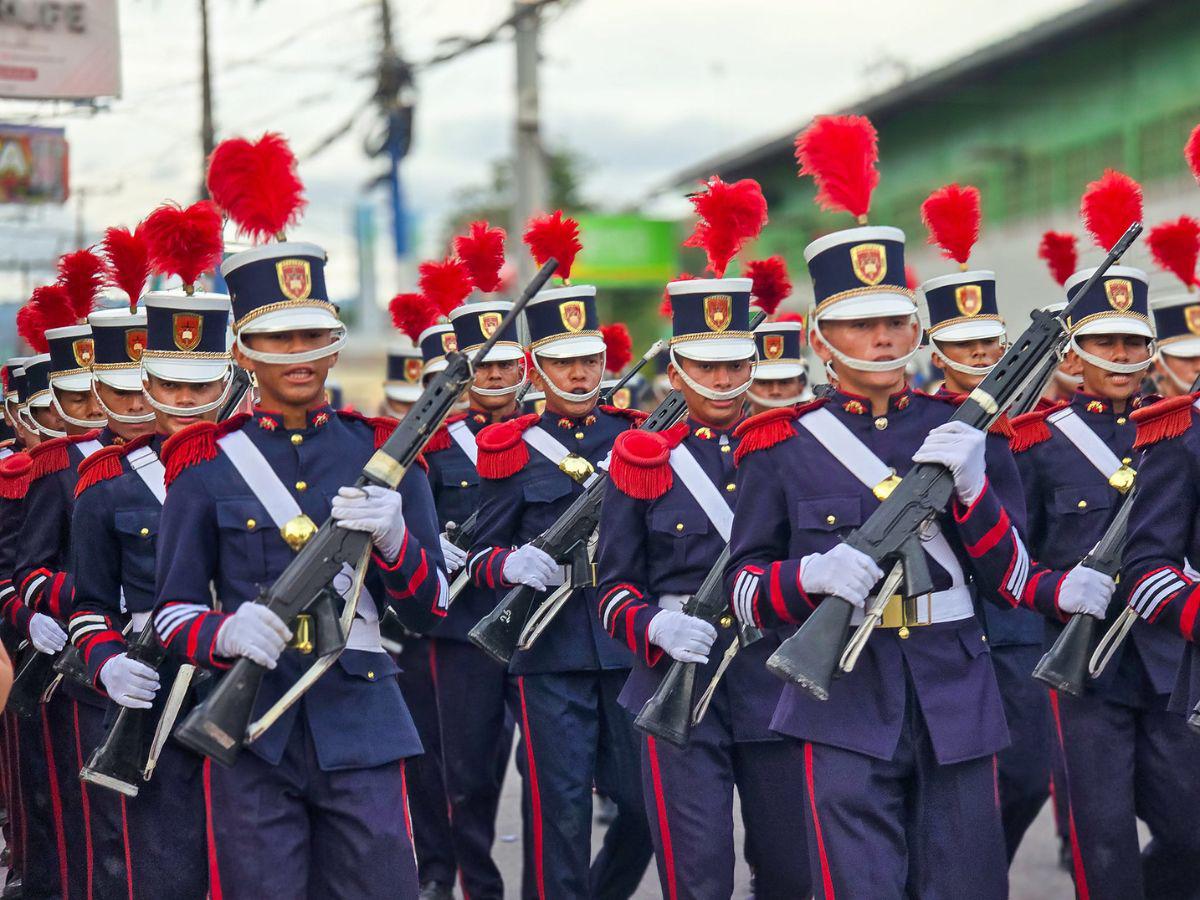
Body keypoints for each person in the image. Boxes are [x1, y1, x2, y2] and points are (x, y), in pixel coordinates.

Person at [724, 209, 1036, 899]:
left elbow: (1013, 578)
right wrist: (808, 574)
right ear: (821, 339)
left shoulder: (961, 431)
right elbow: (743, 585)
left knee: (967, 885)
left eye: (895, 319)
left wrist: (975, 489)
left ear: (917, 329)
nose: (883, 335)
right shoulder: (779, 446)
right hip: (841, 692)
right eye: (861, 322)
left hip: (953, 688)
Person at [150, 224, 448, 898]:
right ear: (243, 352)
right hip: (254, 731)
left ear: (334, 343)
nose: (299, 353)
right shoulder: (203, 465)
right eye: (280, 338)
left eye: (312, 336)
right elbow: (171, 615)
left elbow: (433, 609)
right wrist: (223, 632)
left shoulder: (386, 456)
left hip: (362, 717)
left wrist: (398, 543)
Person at [597, 274, 811, 898]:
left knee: (789, 871)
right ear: (676, 369)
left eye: (735, 364)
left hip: (774, 676)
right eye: (705, 366)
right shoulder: (642, 459)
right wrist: (654, 626)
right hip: (676, 682)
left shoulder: (788, 448)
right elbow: (612, 590)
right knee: (696, 875)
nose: (722, 381)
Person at [1010, 258, 1200, 899]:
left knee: (1191, 827)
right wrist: (1053, 589)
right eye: (1104, 341)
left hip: (1169, 657)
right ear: (1074, 349)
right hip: (1085, 663)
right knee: (1103, 836)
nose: (1120, 355)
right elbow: (1013, 555)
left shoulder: (1180, 427)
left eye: (1132, 341)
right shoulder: (1035, 442)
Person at [468, 268, 652, 899]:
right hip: (549, 650)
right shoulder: (512, 446)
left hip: (628, 641)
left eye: (589, 360)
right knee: (561, 812)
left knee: (646, 805)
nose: (579, 374)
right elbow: (476, 552)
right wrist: (508, 564)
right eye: (563, 362)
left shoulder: (640, 436)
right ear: (535, 368)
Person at [68, 276, 234, 899]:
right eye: (171, 384)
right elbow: (89, 604)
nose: (186, 399)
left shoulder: (263, 463)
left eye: (200, 384)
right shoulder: (105, 484)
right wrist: (107, 663)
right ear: (148, 387)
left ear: (226, 383)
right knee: (166, 861)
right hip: (154, 680)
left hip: (252, 678)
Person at [918, 195, 1058, 861]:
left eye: (988, 342)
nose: (978, 353)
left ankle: (975, 865)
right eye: (962, 344)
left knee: (1029, 773)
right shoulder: (924, 431)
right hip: (951, 629)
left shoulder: (1031, 423)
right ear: (937, 352)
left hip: (1021, 626)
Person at [14, 263, 147, 900]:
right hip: (90, 651)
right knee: (91, 816)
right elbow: (31, 570)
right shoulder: (59, 466)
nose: (104, 407)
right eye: (92, 396)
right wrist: (66, 599)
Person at [423, 295, 526, 900]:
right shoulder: (436, 446)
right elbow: (408, 523)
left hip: (540, 620)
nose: (493, 375)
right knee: (467, 770)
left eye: (504, 364)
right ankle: (476, 884)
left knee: (542, 768)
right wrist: (437, 545)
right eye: (483, 364)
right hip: (462, 626)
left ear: (524, 368)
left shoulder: (546, 439)